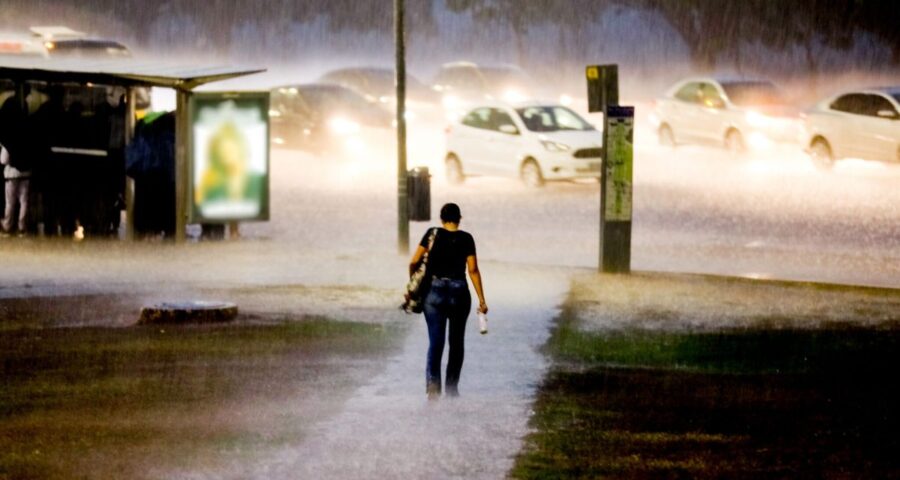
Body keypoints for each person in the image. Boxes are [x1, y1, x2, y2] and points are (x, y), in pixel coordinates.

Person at [408, 203, 488, 400]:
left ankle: (434, 387)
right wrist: (482, 299)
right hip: (459, 292)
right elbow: (473, 270)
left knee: (436, 342)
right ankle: (452, 389)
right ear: (459, 218)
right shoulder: (466, 238)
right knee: (456, 342)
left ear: (441, 218)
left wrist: (414, 285)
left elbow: (414, 261)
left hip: (434, 291)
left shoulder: (431, 233)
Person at [1, 141, 32, 237]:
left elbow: (3, 160)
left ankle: (7, 227)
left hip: (12, 175)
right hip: (26, 174)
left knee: (10, 202)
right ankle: (22, 228)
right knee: (24, 202)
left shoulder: (8, 144)